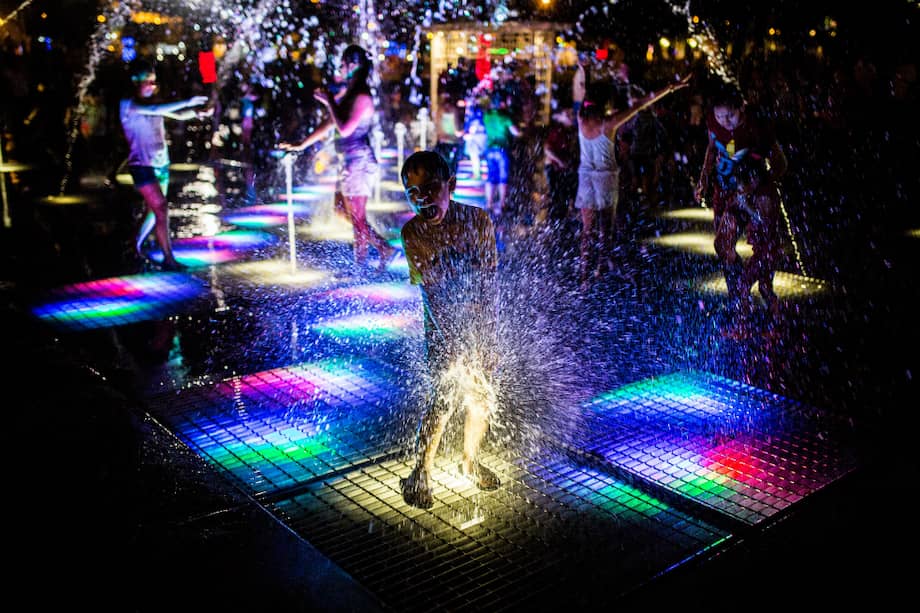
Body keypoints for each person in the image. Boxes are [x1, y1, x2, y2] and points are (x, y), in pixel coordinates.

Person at [398, 151, 499, 509]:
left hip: (480, 327)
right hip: (442, 331)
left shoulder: (478, 220)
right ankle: (420, 471)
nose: (423, 198)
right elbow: (432, 293)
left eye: (431, 188)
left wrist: (487, 338)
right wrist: (454, 342)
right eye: (413, 193)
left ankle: (469, 461)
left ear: (451, 186)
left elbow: (489, 283)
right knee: (442, 401)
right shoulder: (413, 232)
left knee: (481, 399)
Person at [279, 44, 396, 272]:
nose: (340, 68)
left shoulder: (362, 96)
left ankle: (366, 262)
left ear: (353, 65)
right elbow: (331, 122)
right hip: (349, 162)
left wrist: (329, 100)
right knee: (342, 210)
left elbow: (344, 128)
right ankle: (380, 250)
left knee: (358, 218)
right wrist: (302, 144)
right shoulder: (351, 93)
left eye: (343, 64)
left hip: (359, 163)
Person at [576, 75, 690, 289]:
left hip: (585, 177)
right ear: (605, 103)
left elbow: (585, 99)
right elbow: (640, 104)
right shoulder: (608, 123)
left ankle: (583, 276)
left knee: (586, 229)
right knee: (606, 228)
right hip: (605, 178)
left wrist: (586, 73)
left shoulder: (580, 119)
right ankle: (601, 269)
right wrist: (670, 87)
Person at [693, 86, 787, 328]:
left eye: (730, 116)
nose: (725, 123)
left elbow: (780, 163)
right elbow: (713, 147)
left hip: (757, 194)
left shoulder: (758, 128)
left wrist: (758, 184)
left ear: (741, 108)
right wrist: (704, 177)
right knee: (723, 244)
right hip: (727, 191)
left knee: (766, 250)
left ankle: (758, 299)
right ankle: (740, 298)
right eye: (720, 117)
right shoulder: (716, 124)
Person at [120, 58, 211, 271]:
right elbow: (154, 109)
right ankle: (168, 258)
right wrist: (188, 102)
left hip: (161, 164)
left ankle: (134, 247)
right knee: (161, 209)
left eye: (154, 81)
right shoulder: (128, 105)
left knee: (154, 211)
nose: (153, 85)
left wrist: (197, 113)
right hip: (143, 166)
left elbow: (174, 113)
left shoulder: (153, 103)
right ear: (136, 81)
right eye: (148, 81)